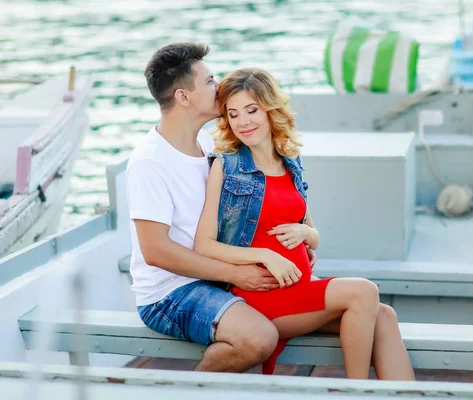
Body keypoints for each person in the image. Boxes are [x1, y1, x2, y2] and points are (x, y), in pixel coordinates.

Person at [194, 68, 416, 380]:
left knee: (384, 315)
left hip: (301, 290)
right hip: (264, 297)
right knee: (364, 292)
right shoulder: (227, 167)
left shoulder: (291, 162)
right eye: (233, 114)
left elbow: (314, 235)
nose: (243, 122)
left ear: (270, 109)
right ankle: (358, 391)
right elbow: (203, 245)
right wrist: (266, 255)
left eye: (251, 110)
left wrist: (305, 232)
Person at [126, 43, 311, 373]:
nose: (219, 85)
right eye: (210, 80)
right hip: (169, 293)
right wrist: (238, 274)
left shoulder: (210, 145)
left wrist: (296, 241)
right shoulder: (150, 162)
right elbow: (155, 251)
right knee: (258, 337)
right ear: (184, 97)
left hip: (213, 275)